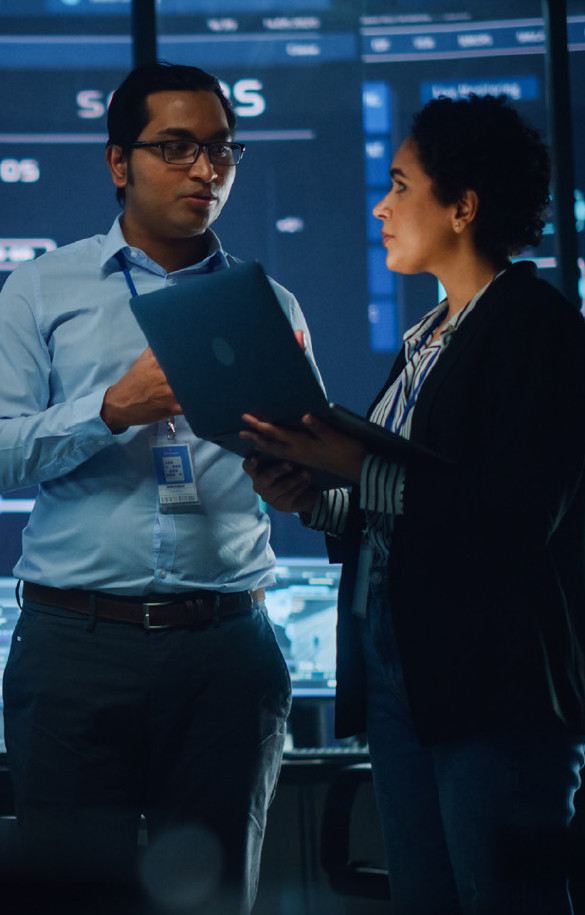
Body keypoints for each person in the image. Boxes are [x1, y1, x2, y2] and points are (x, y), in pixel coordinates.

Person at [240, 94, 585, 914]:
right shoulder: (430, 333)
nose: (380, 206)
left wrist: (356, 468)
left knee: (500, 896)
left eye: (399, 184)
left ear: (462, 206)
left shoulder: (537, 323)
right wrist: (317, 497)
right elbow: (401, 506)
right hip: (404, 666)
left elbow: (514, 514)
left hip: (491, 680)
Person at [0, 60, 320, 914]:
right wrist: (109, 409)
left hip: (227, 647)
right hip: (75, 644)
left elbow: (313, 470)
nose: (203, 170)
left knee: (214, 900)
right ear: (118, 163)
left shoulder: (271, 302)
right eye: (175, 148)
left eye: (220, 150)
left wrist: (300, 483)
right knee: (70, 897)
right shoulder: (40, 289)